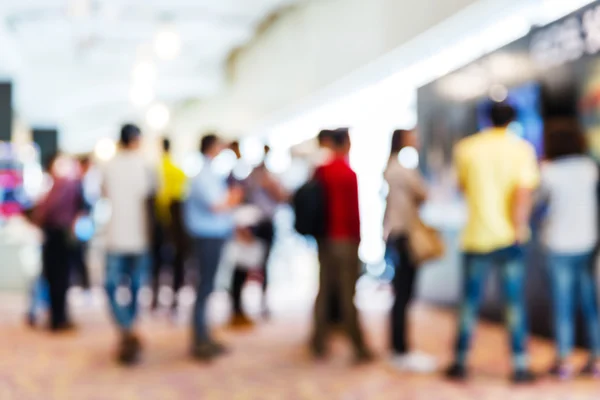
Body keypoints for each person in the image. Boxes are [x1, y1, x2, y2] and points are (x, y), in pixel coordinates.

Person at [446, 103, 539, 383]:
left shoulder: (467, 148)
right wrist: (518, 227)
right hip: (509, 238)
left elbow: (462, 187)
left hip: (475, 236)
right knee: (514, 304)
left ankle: (460, 361)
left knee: (469, 303)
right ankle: (520, 364)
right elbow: (522, 193)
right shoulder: (521, 149)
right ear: (512, 120)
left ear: (486, 119)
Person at [539, 123, 600, 378]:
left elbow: (538, 202)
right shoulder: (589, 168)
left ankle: (563, 360)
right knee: (590, 304)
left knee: (562, 304)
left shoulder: (548, 171)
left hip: (558, 243)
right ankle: (596, 359)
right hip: (587, 242)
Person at [311, 128, 372, 363]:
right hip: (345, 239)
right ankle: (358, 345)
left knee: (324, 290)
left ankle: (318, 342)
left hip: (325, 239)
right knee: (348, 294)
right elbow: (353, 214)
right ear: (345, 143)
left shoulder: (321, 170)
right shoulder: (347, 173)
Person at [185, 133, 243, 361]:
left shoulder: (210, 173)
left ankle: (205, 336)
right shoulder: (203, 175)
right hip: (206, 238)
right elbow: (217, 205)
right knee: (204, 287)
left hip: (213, 236)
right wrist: (235, 197)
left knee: (208, 288)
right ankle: (200, 340)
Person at [102, 124, 155, 365]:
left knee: (126, 285)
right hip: (127, 236)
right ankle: (128, 327)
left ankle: (128, 328)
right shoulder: (137, 166)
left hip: (128, 235)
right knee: (123, 285)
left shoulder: (140, 165)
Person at [384, 129, 436, 373]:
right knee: (404, 293)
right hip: (404, 235)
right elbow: (423, 193)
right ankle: (400, 348)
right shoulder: (401, 170)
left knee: (401, 294)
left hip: (397, 235)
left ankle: (399, 346)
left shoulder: (392, 167)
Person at [34, 155, 84, 332]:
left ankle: (57, 318)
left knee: (56, 278)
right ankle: (58, 318)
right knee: (58, 278)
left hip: (56, 235)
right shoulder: (64, 185)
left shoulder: (61, 186)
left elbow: (45, 210)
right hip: (58, 235)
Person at [244, 145, 288, 318]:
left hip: (267, 223)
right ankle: (241, 305)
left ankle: (263, 301)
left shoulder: (271, 178)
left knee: (265, 263)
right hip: (252, 222)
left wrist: (270, 186)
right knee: (247, 263)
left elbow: (282, 198)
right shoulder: (250, 178)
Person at [151, 137, 188, 313]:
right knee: (177, 263)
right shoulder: (178, 171)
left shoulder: (155, 171)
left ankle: (155, 299)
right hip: (176, 224)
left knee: (157, 263)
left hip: (158, 223)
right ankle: (174, 300)